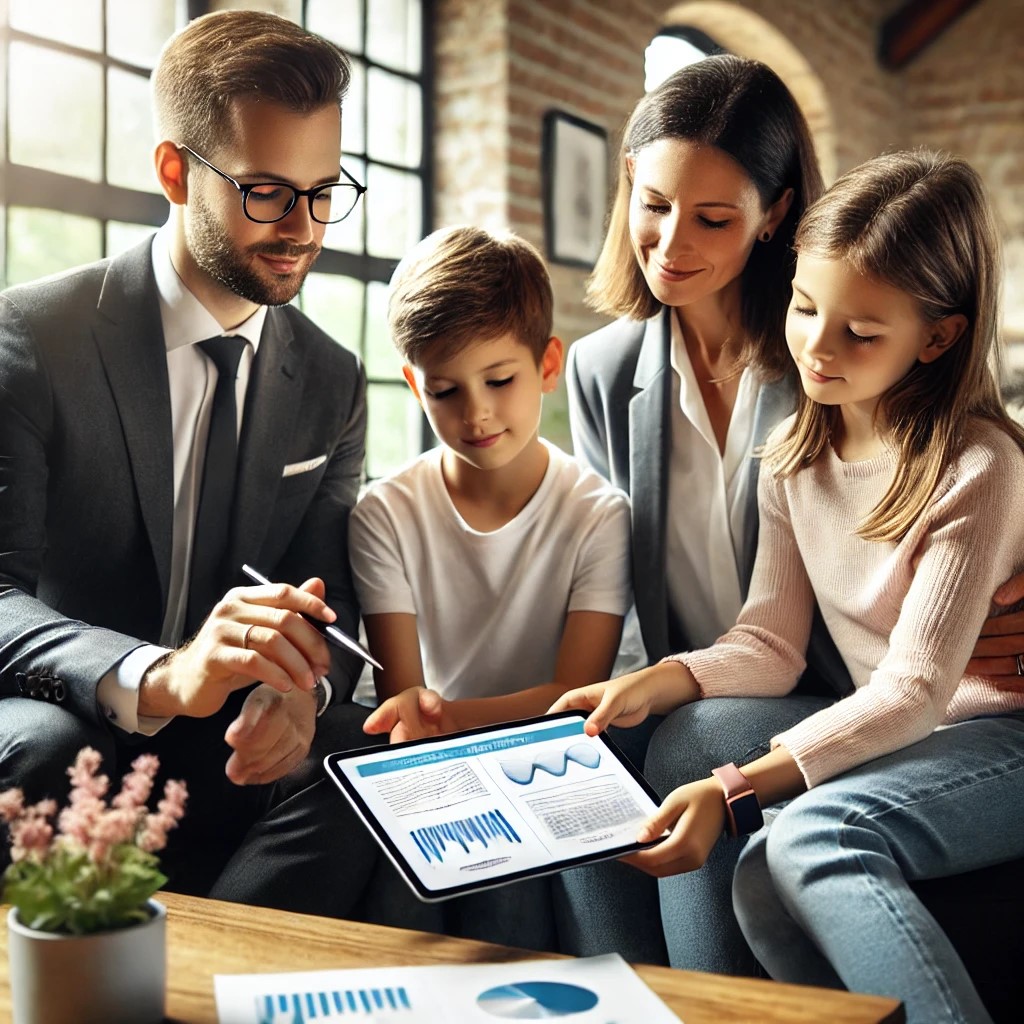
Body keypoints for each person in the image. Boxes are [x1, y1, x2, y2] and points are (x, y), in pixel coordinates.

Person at [561, 53, 1024, 974]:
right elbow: (753, 632)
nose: (817, 343)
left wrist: (738, 780)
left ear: (774, 217)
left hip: (935, 712)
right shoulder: (793, 440)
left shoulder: (969, 457)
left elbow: (910, 687)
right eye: (808, 312)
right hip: (822, 688)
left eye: (714, 217)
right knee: (601, 756)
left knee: (748, 794)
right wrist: (657, 678)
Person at [0, 10, 380, 917]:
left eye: (324, 190)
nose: (303, 228)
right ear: (174, 170)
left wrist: (303, 687)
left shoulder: (331, 378)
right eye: (266, 191)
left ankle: (203, 990)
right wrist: (159, 675)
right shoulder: (31, 336)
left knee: (368, 763)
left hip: (219, 740)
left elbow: (322, 593)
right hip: (66, 709)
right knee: (51, 747)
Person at [348, 224, 632, 949]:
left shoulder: (598, 515)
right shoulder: (387, 512)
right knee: (402, 891)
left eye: (499, 381)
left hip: (545, 760)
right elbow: (402, 704)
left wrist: (451, 719)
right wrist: (435, 724)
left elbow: (574, 702)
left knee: (510, 903)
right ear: (415, 385)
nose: (475, 413)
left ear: (547, 365)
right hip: (427, 767)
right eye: (446, 390)